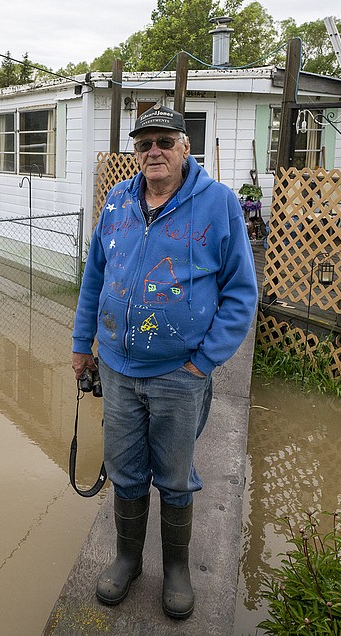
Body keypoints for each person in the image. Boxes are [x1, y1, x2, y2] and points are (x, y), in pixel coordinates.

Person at [71, 104, 258, 619]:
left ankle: (175, 569)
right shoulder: (117, 201)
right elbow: (94, 277)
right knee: (125, 472)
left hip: (181, 373)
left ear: (184, 148)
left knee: (175, 477)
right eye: (144, 143)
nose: (153, 151)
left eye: (164, 141)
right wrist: (81, 343)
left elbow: (242, 292)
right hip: (115, 366)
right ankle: (128, 557)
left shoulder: (218, 203)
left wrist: (204, 362)